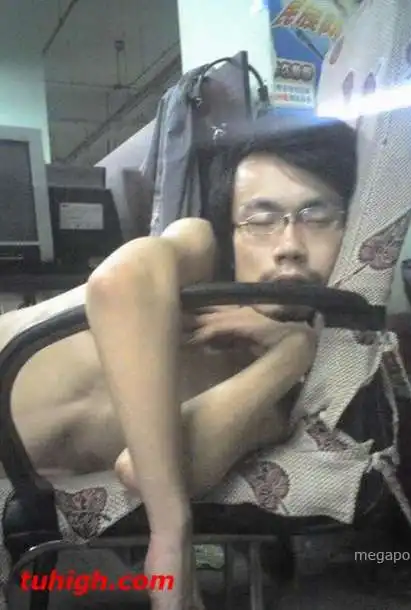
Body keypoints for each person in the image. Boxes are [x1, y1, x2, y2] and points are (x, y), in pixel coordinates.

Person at [0, 117, 357, 609]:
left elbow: (139, 469)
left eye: (317, 217)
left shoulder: (283, 391)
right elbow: (122, 278)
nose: (290, 246)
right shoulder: (197, 254)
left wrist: (293, 351)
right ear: (230, 232)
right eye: (261, 221)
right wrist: (171, 536)